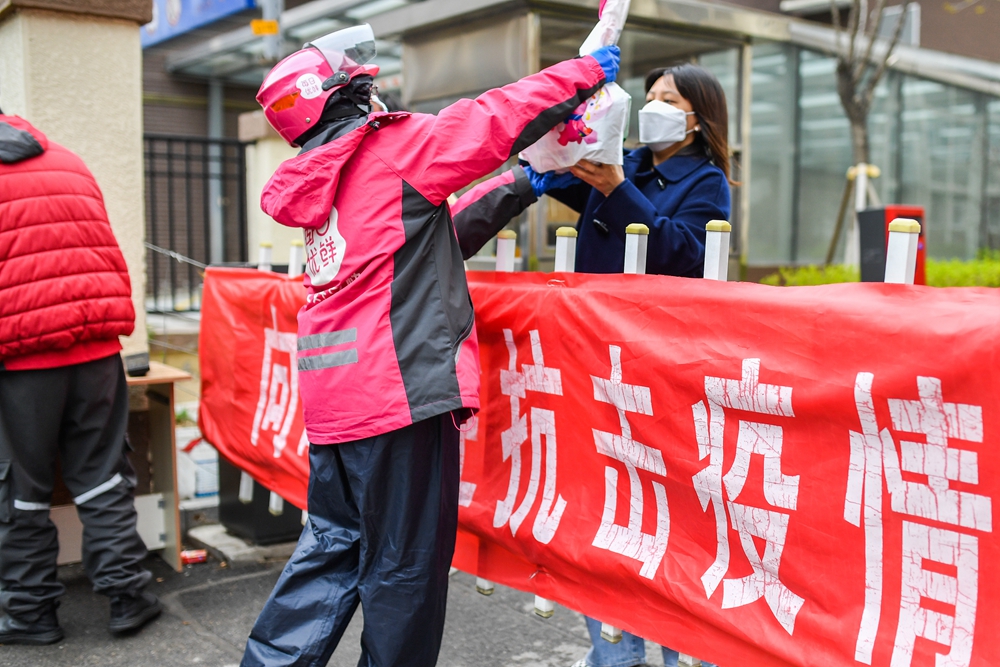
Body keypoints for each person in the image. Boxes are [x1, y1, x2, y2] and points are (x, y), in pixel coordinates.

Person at [241, 23, 620, 667]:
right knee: (404, 569)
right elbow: (490, 118)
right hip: (398, 393)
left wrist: (527, 180)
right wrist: (580, 74)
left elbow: (428, 231)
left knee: (330, 551)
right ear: (343, 96)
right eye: (361, 82)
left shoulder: (328, 180)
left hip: (338, 401)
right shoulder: (386, 150)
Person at [452, 63, 734, 667]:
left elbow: (682, 253)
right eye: (649, 96)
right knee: (602, 504)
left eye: (669, 100)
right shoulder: (623, 161)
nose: (653, 107)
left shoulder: (706, 183)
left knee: (664, 510)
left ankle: (682, 649)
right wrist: (569, 114)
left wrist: (614, 188)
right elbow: (551, 169)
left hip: (659, 366)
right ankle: (614, 652)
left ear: (698, 119)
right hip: (592, 359)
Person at [0, 110, 160, 644]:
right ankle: (127, 596)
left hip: (20, 361)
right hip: (96, 350)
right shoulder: (68, 161)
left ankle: (29, 614)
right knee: (104, 476)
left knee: (19, 490)